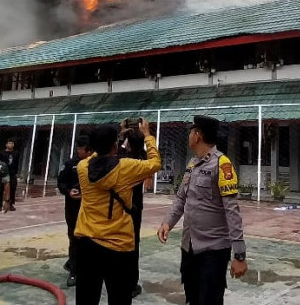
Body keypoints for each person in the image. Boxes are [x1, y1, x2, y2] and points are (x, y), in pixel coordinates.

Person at [158, 115, 248, 305]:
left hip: (213, 249)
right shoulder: (192, 164)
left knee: (210, 300)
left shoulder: (222, 165)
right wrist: (168, 222)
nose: (189, 135)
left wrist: (239, 255)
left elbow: (232, 212)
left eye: (191, 131)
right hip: (189, 246)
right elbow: (181, 198)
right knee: (192, 297)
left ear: (197, 135)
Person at [73, 120, 160, 305]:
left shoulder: (83, 167)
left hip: (87, 242)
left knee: (86, 298)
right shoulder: (126, 166)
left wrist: (115, 137)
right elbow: (155, 163)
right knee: (119, 298)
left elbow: (99, 155)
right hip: (118, 245)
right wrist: (147, 135)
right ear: (114, 145)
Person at [57, 135, 92, 288]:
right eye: (78, 148)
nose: (80, 151)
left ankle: (84, 265)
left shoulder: (95, 164)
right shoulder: (71, 164)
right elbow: (61, 182)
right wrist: (68, 191)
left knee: (90, 239)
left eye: (82, 149)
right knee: (74, 237)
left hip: (91, 208)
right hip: (73, 208)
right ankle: (74, 270)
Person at [121, 126, 147, 298]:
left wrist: (121, 134)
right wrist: (147, 136)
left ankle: (117, 279)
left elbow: (116, 150)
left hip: (119, 207)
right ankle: (130, 284)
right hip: (135, 207)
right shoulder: (142, 161)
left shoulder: (121, 161)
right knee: (133, 245)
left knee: (117, 242)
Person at [0, 139, 20, 211]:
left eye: (12, 143)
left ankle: (10, 204)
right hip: (3, 173)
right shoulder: (2, 153)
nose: (11, 145)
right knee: (0, 189)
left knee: (12, 189)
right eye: (9, 143)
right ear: (6, 144)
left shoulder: (16, 153)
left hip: (12, 173)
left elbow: (17, 163)